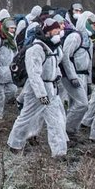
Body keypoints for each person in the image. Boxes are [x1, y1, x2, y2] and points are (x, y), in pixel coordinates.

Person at [7, 16, 68, 157]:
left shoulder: (53, 48)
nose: (59, 33)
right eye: (56, 31)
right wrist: (42, 96)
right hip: (36, 91)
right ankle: (14, 144)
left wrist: (56, 80)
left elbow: (54, 66)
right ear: (47, 32)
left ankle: (59, 153)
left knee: (56, 120)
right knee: (26, 118)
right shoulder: (36, 49)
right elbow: (34, 75)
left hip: (51, 90)